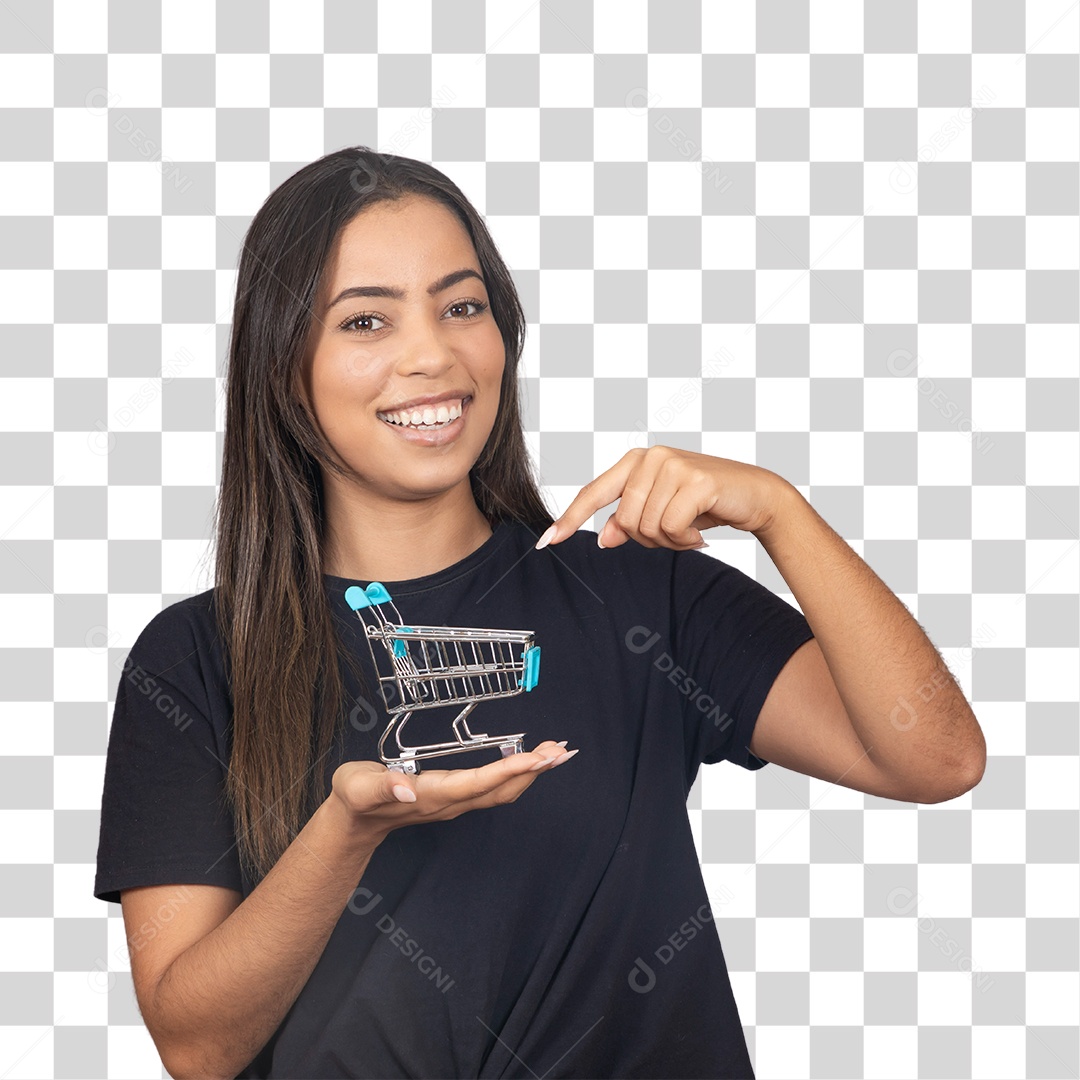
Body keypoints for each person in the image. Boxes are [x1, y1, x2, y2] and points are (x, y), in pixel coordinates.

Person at [94, 146, 987, 1079]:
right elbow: (197, 1047)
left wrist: (779, 513)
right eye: (365, 320)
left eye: (462, 306)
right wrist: (344, 832)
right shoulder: (196, 660)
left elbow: (937, 758)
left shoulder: (641, 592)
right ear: (284, 364)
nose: (432, 354)